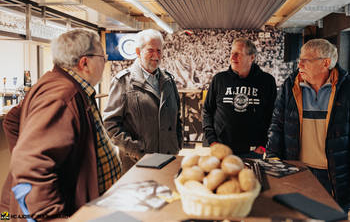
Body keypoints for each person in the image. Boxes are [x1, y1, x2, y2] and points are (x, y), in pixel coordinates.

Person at [0, 29, 122, 220]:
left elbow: (13, 120)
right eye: (103, 58)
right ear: (85, 63)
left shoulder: (60, 84)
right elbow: (30, 163)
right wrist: (50, 216)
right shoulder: (63, 96)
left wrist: (23, 146)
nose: (104, 63)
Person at [266, 38, 350, 210]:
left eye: (305, 61)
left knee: (331, 215)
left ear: (325, 63)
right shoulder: (290, 86)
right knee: (300, 214)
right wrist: (272, 157)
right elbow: (277, 124)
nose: (300, 65)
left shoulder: (346, 88)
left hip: (335, 175)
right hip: (298, 170)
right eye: (299, 60)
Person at [103, 29, 183, 173]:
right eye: (150, 50)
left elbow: (177, 116)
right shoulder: (123, 82)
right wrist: (136, 150)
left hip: (168, 158)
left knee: (166, 194)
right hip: (137, 162)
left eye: (159, 51)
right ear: (138, 52)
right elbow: (110, 125)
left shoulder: (169, 81)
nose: (156, 56)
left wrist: (177, 144)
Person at [202, 38, 277, 158]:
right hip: (221, 148)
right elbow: (207, 111)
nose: (232, 57)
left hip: (253, 151)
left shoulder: (267, 81)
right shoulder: (219, 79)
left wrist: (263, 145)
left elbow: (273, 115)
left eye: (238, 54)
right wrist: (212, 141)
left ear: (252, 57)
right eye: (232, 53)